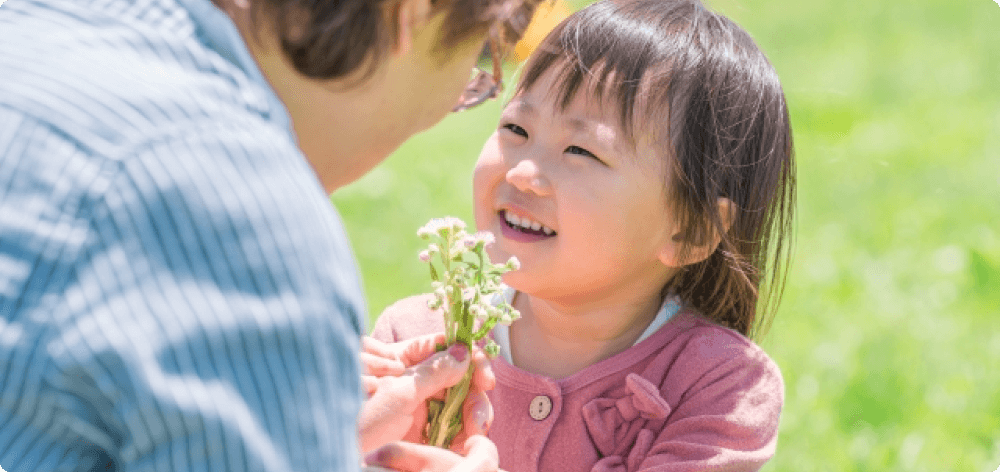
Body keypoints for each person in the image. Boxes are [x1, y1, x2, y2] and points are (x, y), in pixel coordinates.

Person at [0, 0, 539, 469]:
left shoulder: (33, 29)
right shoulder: (242, 217)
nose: (451, 106)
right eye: (474, 70)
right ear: (412, 14)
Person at [371, 0, 796, 470]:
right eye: (515, 127)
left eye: (580, 150)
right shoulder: (413, 344)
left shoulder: (718, 384)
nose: (524, 172)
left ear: (690, 231)